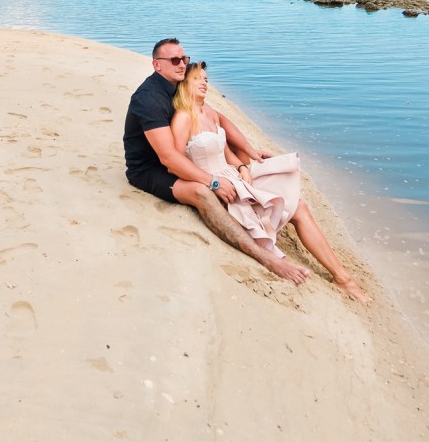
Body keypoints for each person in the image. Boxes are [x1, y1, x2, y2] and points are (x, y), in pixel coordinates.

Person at [172, 61, 371, 303]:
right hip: (218, 186)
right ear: (185, 84)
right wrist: (211, 184)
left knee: (299, 206)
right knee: (265, 219)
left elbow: (226, 153)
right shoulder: (183, 117)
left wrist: (243, 167)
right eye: (197, 79)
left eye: (205, 78)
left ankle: (343, 278)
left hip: (235, 177)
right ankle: (306, 268)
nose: (204, 82)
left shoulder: (211, 112)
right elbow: (176, 160)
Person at [124, 37, 308, 285]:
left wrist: (249, 153)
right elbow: (168, 158)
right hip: (149, 169)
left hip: (177, 158)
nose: (182, 64)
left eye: (184, 58)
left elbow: (220, 120)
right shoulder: (148, 98)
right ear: (157, 65)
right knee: (202, 192)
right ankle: (264, 256)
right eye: (175, 60)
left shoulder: (179, 86)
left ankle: (259, 205)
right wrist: (213, 182)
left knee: (233, 153)